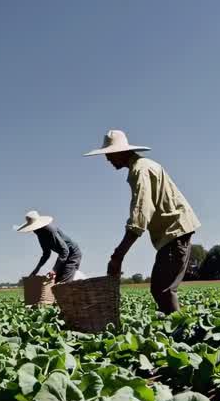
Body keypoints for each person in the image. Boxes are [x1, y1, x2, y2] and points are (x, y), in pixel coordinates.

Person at [84, 130, 200, 315]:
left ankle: (180, 333)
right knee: (162, 289)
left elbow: (141, 214)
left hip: (174, 232)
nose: (107, 159)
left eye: (108, 154)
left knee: (163, 289)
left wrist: (118, 254)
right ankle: (177, 330)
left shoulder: (140, 169)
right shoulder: (143, 166)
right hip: (175, 231)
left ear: (119, 152)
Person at [15, 211, 83, 283]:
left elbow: (65, 250)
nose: (33, 231)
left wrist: (54, 270)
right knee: (57, 282)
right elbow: (46, 253)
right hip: (64, 256)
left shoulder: (50, 231)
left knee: (63, 283)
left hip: (73, 254)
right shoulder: (40, 234)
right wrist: (36, 269)